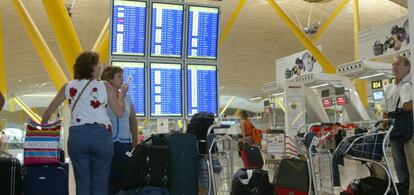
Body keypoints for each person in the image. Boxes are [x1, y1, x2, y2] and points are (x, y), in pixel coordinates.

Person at [42, 51, 127, 195]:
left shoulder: (68, 86)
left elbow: (48, 111)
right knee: (100, 182)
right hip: (101, 136)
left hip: (77, 136)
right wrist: (122, 95)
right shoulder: (104, 86)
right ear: (92, 67)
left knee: (82, 183)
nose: (100, 67)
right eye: (98, 64)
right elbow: (119, 112)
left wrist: (43, 128)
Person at [101, 66, 138, 195]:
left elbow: (133, 121)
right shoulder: (102, 96)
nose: (122, 79)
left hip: (125, 144)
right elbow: (119, 113)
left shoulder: (127, 98)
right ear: (109, 79)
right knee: (110, 179)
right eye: (119, 76)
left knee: (125, 178)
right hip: (109, 143)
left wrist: (135, 142)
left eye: (122, 76)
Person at [382, 56, 414, 194]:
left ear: (408, 67)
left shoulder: (410, 85)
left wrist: (405, 92)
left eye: (398, 64)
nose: (394, 67)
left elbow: (408, 107)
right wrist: (383, 126)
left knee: (411, 161)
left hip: (409, 128)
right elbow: (385, 110)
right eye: (393, 65)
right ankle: (403, 187)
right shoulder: (389, 88)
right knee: (398, 162)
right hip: (394, 129)